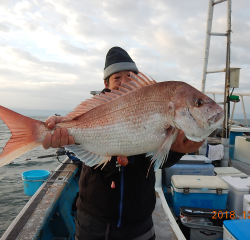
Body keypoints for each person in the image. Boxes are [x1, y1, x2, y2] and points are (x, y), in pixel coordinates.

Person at [42, 47, 204, 240]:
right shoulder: (96, 108)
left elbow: (159, 160)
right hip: (94, 219)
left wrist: (179, 149)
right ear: (106, 83)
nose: (124, 81)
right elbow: (78, 125)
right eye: (117, 77)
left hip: (138, 219)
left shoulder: (152, 106)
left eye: (130, 75)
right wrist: (58, 125)